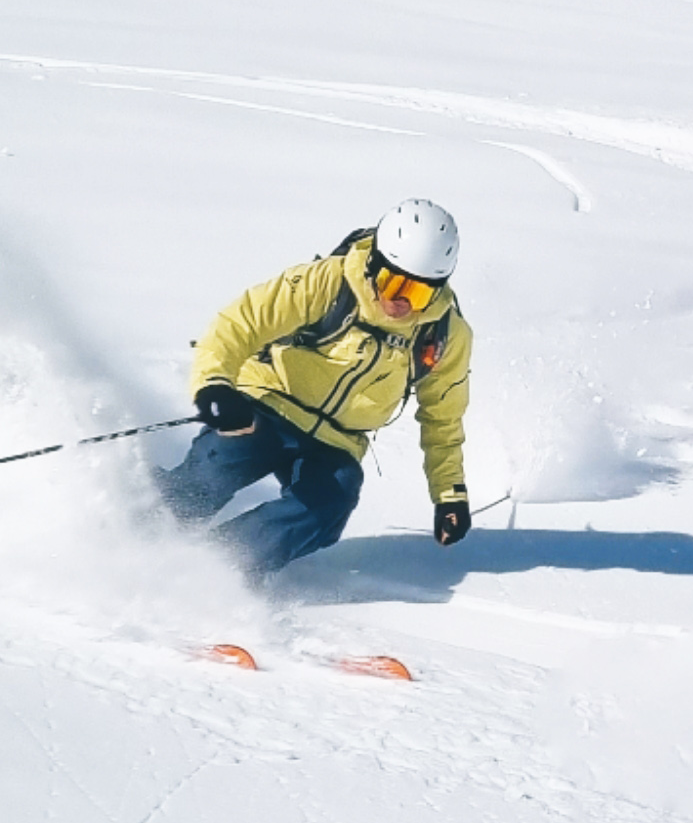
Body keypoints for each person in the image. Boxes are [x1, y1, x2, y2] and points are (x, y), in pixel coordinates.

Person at [162, 201, 475, 579]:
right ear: (376, 263)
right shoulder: (330, 281)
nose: (401, 302)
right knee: (224, 462)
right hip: (269, 402)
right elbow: (242, 322)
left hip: (336, 441)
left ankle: (212, 572)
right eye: (395, 283)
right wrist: (216, 385)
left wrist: (449, 495)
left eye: (420, 293)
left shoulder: (444, 334)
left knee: (330, 503)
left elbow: (443, 416)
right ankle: (138, 527)